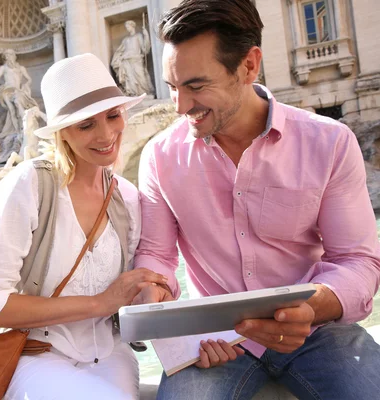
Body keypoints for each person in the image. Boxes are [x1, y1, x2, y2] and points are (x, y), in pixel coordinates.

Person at [133, 1, 380, 399]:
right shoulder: (159, 157)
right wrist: (155, 293)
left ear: (249, 66)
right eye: (173, 88)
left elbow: (357, 261)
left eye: (195, 86)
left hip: (318, 331)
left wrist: (311, 308)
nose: (180, 107)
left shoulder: (330, 142)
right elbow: (158, 258)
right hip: (213, 343)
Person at [0, 53, 166, 399]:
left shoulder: (129, 199)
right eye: (86, 124)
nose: (106, 134)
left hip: (112, 355)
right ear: (62, 133)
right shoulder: (29, 185)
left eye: (112, 115)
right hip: (36, 357)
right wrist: (99, 303)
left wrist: (155, 295)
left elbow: (129, 296)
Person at [0, 49, 39, 135]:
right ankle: (17, 131)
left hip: (18, 90)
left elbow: (29, 79)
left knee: (19, 106)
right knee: (12, 110)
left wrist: (26, 85)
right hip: (7, 91)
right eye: (7, 55)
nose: (9, 57)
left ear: (14, 56)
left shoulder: (21, 68)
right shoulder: (3, 68)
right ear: (5, 57)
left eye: (10, 54)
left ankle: (24, 128)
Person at [111, 20, 155, 97]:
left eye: (128, 27)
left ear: (132, 26)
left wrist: (146, 36)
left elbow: (144, 49)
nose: (127, 29)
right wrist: (119, 58)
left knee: (141, 77)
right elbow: (119, 51)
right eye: (126, 27)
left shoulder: (138, 36)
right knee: (130, 79)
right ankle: (133, 94)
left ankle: (144, 92)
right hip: (126, 61)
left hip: (136, 60)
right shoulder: (125, 40)